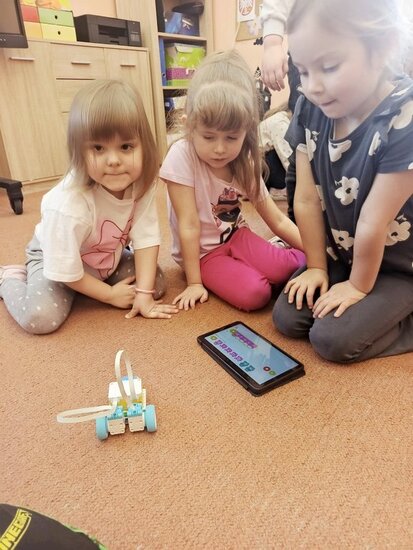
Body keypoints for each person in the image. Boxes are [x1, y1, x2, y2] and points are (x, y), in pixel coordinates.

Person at [273, 0, 413, 363]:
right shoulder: (310, 106)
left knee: (333, 340)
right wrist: (317, 266)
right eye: (302, 71)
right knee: (289, 318)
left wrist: (357, 287)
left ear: (381, 49)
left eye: (330, 67)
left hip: (400, 267)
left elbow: (373, 221)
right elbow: (306, 198)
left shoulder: (404, 115)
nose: (313, 87)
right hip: (345, 251)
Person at [0, 80, 178, 334]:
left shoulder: (140, 183)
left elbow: (147, 238)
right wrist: (109, 295)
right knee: (40, 318)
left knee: (155, 285)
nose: (113, 160)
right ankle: (8, 278)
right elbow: (65, 271)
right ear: (79, 152)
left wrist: (144, 295)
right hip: (57, 259)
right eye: (98, 148)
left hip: (103, 256)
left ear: (144, 146)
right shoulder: (67, 205)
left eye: (126, 147)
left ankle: (89, 288)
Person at [159, 50, 305, 312]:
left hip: (237, 236)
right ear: (189, 125)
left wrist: (321, 258)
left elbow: (278, 219)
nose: (219, 149)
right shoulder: (181, 156)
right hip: (202, 255)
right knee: (256, 294)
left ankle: (273, 253)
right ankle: (259, 262)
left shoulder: (244, 159)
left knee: (296, 264)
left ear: (246, 131)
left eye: (231, 138)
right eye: (208, 137)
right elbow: (189, 226)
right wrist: (194, 283)